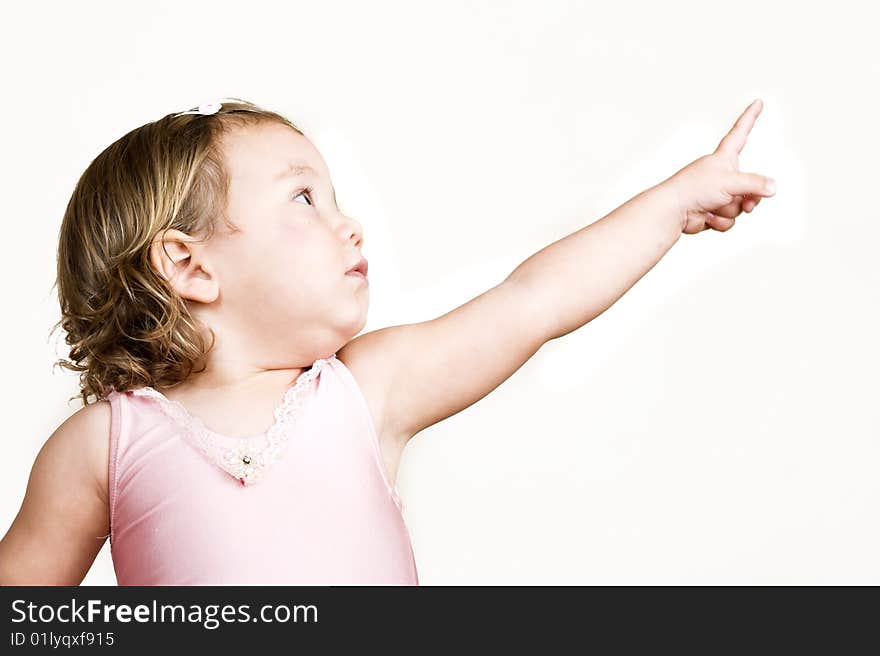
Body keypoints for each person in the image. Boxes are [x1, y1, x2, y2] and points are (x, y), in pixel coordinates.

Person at [0, 97, 776, 585]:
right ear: (188, 264)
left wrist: (674, 204)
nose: (349, 221)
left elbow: (534, 301)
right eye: (304, 196)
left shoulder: (364, 389)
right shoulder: (101, 444)